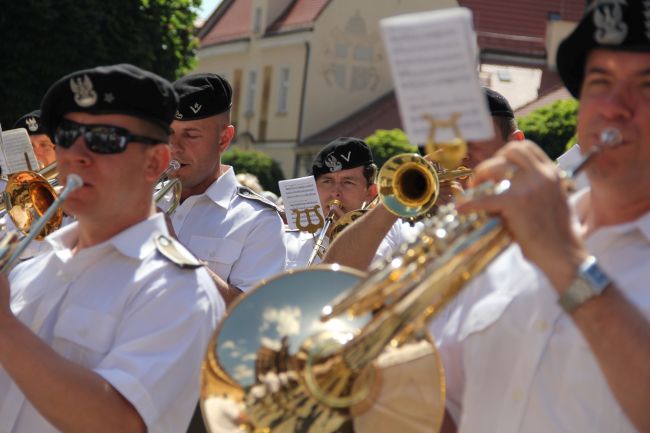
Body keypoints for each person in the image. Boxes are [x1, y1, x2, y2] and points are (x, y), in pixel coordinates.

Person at [436, 1, 650, 431]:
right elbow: (447, 409)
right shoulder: (503, 237)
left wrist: (565, 259)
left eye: (646, 86)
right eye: (599, 81)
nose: (613, 107)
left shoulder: (541, 231)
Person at [0, 64, 225, 433]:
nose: (77, 154)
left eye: (105, 139)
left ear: (155, 161)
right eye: (68, 135)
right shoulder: (31, 266)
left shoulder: (179, 289)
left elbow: (121, 422)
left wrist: (5, 328)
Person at [323, 87, 523, 271]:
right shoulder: (406, 224)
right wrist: (395, 201)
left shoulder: (540, 206)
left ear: (516, 142)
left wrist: (469, 216)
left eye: (472, 139)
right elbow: (332, 277)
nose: (456, 155)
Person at [169, 73, 285, 304]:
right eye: (169, 133)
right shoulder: (146, 201)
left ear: (223, 139)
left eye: (191, 135)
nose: (174, 148)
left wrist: (173, 249)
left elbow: (250, 315)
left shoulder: (258, 221)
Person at [284, 137, 413, 269]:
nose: (335, 192)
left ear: (370, 192)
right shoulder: (288, 237)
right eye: (327, 181)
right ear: (314, 188)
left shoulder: (393, 231)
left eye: (348, 182)